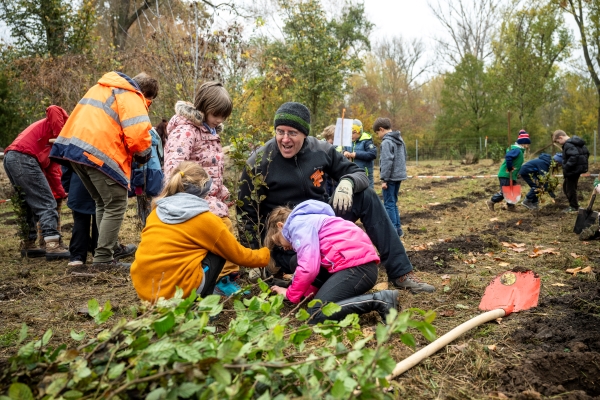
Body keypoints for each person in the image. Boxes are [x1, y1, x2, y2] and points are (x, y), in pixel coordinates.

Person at [237, 102, 434, 294]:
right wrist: (254, 260)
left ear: (304, 134)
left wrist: (348, 182)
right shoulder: (260, 161)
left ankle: (401, 273)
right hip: (288, 243)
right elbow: (245, 214)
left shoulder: (320, 150)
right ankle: (320, 278)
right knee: (304, 265)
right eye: (280, 132)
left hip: (323, 227)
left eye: (292, 133)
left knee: (366, 195)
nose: (285, 139)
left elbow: (359, 173)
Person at [50, 71, 156, 267]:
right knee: (116, 204)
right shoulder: (131, 95)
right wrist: (144, 155)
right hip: (99, 153)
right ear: (146, 94)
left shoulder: (101, 88)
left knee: (102, 202)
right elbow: (138, 133)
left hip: (76, 151)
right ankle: (104, 258)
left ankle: (106, 251)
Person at [130, 162, 270, 302]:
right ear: (205, 191)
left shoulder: (156, 212)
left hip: (145, 291)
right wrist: (267, 254)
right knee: (219, 251)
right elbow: (238, 255)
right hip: (174, 294)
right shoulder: (206, 220)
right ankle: (203, 307)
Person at [163, 82, 242, 296]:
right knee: (222, 229)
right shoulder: (187, 132)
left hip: (208, 196)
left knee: (223, 227)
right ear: (203, 107)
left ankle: (217, 276)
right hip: (191, 196)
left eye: (224, 116)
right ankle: (222, 279)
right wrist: (192, 192)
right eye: (217, 114)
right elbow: (174, 167)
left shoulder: (210, 132)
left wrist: (222, 192)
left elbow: (212, 168)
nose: (220, 120)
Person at [267, 200, 398, 323]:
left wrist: (290, 294)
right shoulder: (308, 220)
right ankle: (323, 296)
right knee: (296, 260)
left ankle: (380, 301)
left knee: (316, 313)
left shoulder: (297, 226)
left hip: (358, 269)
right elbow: (310, 263)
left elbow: (309, 268)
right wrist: (303, 294)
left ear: (281, 226)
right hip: (353, 265)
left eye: (279, 242)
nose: (283, 247)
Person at [3, 105, 70, 260]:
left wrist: (62, 193)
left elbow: (53, 172)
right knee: (47, 203)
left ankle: (29, 243)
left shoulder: (52, 138)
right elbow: (53, 108)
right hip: (23, 157)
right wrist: (63, 138)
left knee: (28, 203)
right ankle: (52, 244)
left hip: (12, 157)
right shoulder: (61, 123)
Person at [374, 117, 408, 237]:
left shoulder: (387, 142)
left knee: (388, 203)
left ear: (381, 129)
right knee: (393, 202)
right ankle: (398, 229)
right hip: (399, 176)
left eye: (377, 133)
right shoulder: (399, 139)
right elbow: (405, 156)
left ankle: (392, 231)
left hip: (390, 178)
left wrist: (384, 179)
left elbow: (386, 161)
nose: (378, 136)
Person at [61, 164, 98, 266]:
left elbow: (67, 165)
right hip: (100, 183)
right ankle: (99, 255)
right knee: (101, 220)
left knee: (80, 220)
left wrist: (67, 187)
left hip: (79, 184)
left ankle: (77, 257)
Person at [486, 130, 531, 212]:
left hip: (511, 175)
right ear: (523, 143)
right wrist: (510, 167)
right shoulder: (516, 150)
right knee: (505, 191)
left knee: (512, 190)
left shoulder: (519, 150)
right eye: (527, 143)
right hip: (506, 174)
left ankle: (510, 207)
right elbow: (508, 157)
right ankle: (491, 201)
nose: (528, 146)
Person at [130, 126, 164, 227]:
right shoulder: (155, 136)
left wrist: (138, 186)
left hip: (144, 177)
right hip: (155, 175)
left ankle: (146, 227)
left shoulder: (141, 138)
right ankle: (153, 226)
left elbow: (141, 163)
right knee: (153, 205)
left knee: (143, 205)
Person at [552, 130, 589, 213]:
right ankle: (574, 204)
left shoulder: (568, 144)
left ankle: (574, 207)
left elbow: (574, 156)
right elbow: (586, 153)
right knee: (567, 187)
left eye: (558, 141)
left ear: (560, 137)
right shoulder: (577, 143)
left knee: (570, 189)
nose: (559, 143)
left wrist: (566, 166)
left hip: (573, 170)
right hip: (577, 169)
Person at [342, 119, 377, 189]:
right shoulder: (347, 141)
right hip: (351, 173)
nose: (351, 135)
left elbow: (372, 154)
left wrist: (356, 155)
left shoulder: (366, 140)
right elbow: (341, 150)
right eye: (349, 133)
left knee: (367, 193)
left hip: (365, 174)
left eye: (353, 133)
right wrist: (344, 152)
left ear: (359, 132)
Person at [320, 125, 337, 198]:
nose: (333, 142)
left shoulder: (338, 146)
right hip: (325, 176)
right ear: (327, 137)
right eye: (332, 139)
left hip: (335, 176)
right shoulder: (320, 146)